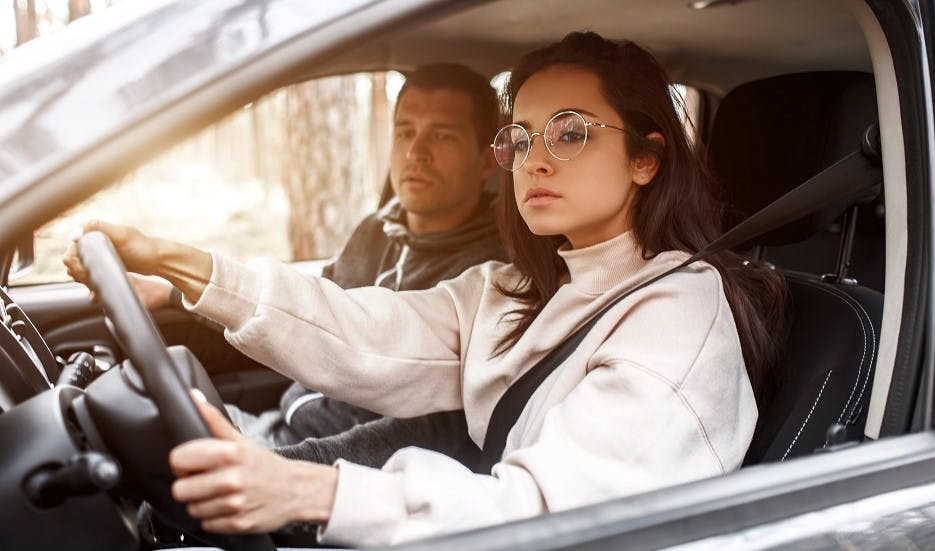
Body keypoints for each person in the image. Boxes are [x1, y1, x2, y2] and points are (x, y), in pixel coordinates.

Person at [65, 32, 786, 546]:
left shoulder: (678, 314)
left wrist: (306, 491)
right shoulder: (518, 285)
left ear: (644, 159)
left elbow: (551, 516)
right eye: (520, 137)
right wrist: (185, 265)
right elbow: (360, 331)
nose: (533, 160)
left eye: (569, 133)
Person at [129, 63, 508, 459]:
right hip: (277, 429)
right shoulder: (376, 231)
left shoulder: (487, 276)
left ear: (486, 161)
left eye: (442, 136)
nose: (416, 152)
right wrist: (173, 293)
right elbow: (292, 320)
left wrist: (281, 469)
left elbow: (427, 434)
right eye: (405, 132)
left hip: (330, 472)